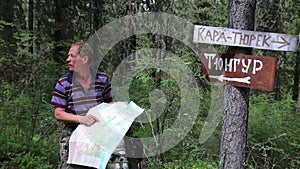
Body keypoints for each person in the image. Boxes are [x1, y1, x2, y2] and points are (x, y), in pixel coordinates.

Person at [50, 42, 114, 169]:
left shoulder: (102, 79)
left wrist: (120, 107)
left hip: (98, 132)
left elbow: (109, 103)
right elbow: (58, 113)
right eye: (68, 56)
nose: (68, 59)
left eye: (72, 56)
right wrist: (82, 119)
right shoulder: (64, 83)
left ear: (84, 59)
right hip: (73, 132)